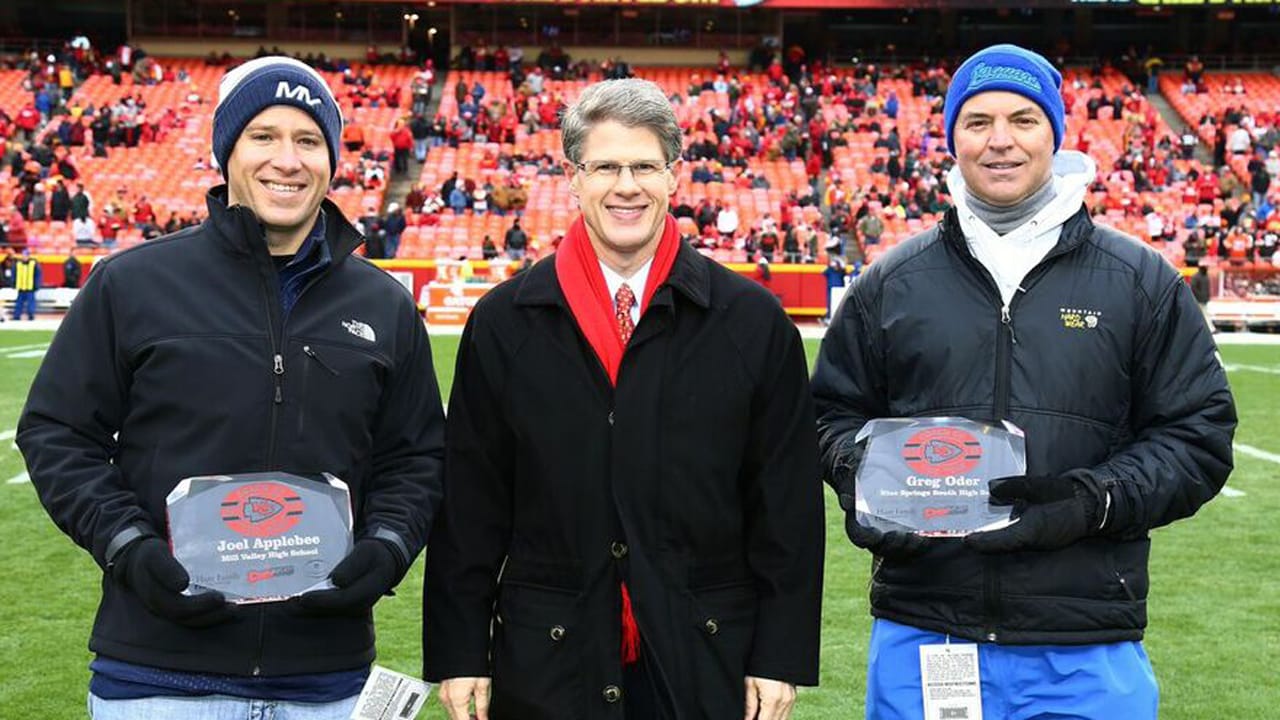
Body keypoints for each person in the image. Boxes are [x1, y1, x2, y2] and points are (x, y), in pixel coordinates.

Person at [811, 44, 1237, 720]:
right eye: (977, 122)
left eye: (1023, 119)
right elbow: (828, 417)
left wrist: (1091, 502)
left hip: (1086, 638)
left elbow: (1198, 437)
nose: (1000, 140)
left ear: (1055, 134)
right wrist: (868, 480)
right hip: (926, 628)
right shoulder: (890, 282)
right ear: (951, 137)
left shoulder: (1140, 281)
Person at [17, 55, 446, 720]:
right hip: (157, 680)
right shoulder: (132, 284)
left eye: (309, 141)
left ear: (332, 160)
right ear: (227, 152)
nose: (288, 160)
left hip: (325, 684)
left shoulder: (384, 305)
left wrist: (387, 547)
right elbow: (57, 433)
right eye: (263, 136)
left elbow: (416, 456)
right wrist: (128, 546)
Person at [423, 78, 824, 720]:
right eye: (605, 167)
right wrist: (461, 648)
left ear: (674, 175)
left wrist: (779, 654)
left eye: (644, 166)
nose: (626, 186)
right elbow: (471, 503)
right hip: (546, 658)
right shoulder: (503, 323)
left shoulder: (753, 323)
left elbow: (786, 506)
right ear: (573, 178)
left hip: (705, 654)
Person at [11, 247, 40, 320]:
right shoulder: (18, 264)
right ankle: (16, 316)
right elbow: (14, 274)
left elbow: (37, 275)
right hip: (21, 287)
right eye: (23, 255)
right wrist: (13, 283)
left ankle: (31, 315)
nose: (24, 257)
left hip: (30, 287)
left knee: (31, 303)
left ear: (28, 256)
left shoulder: (34, 264)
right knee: (19, 303)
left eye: (26, 255)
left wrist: (36, 285)